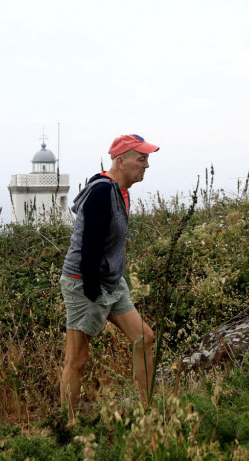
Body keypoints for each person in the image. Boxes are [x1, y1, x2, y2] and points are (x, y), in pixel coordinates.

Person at [59, 134, 159, 421]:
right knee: (76, 359)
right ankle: (66, 424)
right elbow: (90, 242)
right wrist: (91, 287)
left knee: (144, 337)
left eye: (147, 159)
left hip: (112, 281)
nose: (146, 165)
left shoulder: (121, 191)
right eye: (141, 159)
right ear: (121, 160)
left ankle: (145, 410)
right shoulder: (103, 191)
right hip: (85, 280)